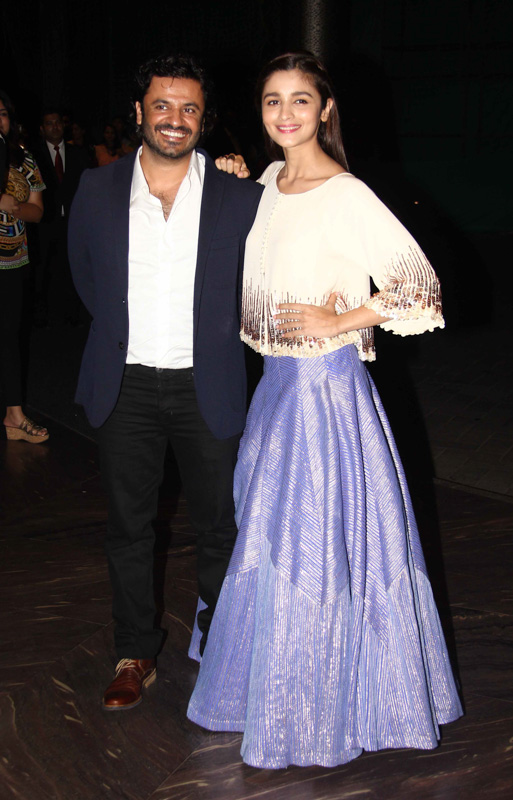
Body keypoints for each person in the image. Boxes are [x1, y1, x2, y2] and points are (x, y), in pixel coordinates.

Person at [187, 52, 463, 769]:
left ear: (325, 109)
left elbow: (419, 286)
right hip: (276, 387)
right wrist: (233, 178)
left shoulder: (346, 193)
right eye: (272, 100)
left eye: (300, 100)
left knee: (310, 545)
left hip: (322, 390)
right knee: (269, 536)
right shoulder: (267, 181)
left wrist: (343, 319)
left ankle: (313, 708)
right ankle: (271, 688)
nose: (285, 113)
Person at [68, 54, 262, 711]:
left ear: (204, 119)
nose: (174, 119)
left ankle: (224, 652)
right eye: (161, 105)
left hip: (208, 384)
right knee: (128, 528)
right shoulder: (96, 188)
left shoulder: (239, 194)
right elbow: (85, 277)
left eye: (188, 108)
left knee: (221, 528)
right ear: (138, 112)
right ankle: (134, 652)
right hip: (124, 384)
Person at [0, 90, 48, 443]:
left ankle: (13, 415)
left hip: (13, 261)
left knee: (9, 338)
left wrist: (13, 206)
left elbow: (37, 211)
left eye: (2, 113)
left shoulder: (24, 158)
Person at [32, 109, 89, 325]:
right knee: (44, 267)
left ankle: (72, 313)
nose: (54, 127)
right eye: (49, 123)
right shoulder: (33, 155)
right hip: (45, 221)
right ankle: (44, 315)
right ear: (42, 129)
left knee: (72, 267)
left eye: (57, 122)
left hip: (74, 222)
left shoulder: (79, 153)